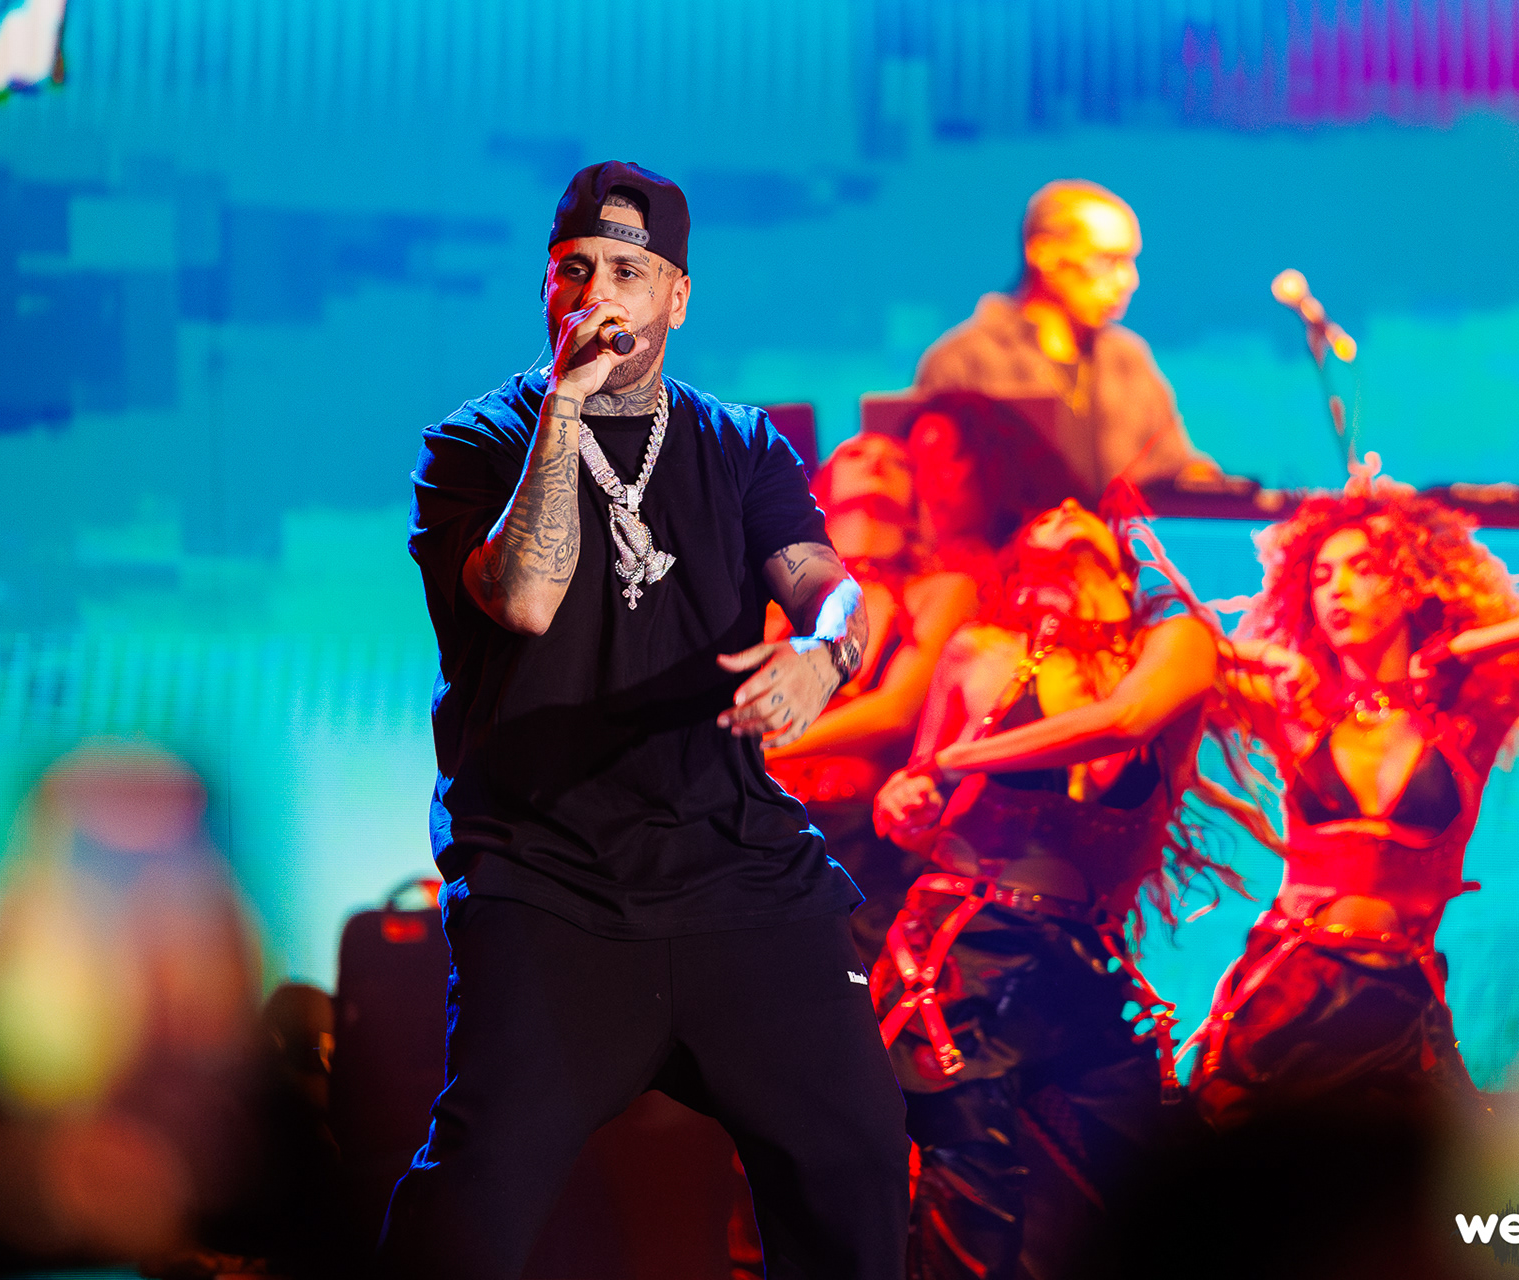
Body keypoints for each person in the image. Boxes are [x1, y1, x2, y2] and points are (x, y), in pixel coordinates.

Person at [382, 161, 908, 1279]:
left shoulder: (743, 445)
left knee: (856, 1157)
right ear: (545, 287)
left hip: (735, 870)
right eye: (574, 270)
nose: (597, 296)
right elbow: (524, 599)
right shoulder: (474, 446)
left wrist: (824, 655)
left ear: (676, 295)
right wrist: (565, 410)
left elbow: (832, 587)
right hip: (550, 877)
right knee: (476, 1196)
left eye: (627, 271)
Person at [1189, 472, 1519, 1128]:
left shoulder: (1469, 714)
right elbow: (1166, 661)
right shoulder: (1294, 709)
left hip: (1402, 994)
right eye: (1320, 577)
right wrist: (1262, 655)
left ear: (1407, 585)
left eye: (1362, 569)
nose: (1336, 589)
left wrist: (1466, 645)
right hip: (1287, 992)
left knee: (1417, 1177)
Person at [870, 492, 1236, 1280]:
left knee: (1162, 1175)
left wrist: (949, 763)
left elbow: (1126, 721)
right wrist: (903, 800)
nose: (1065, 507)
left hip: (1082, 963)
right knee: (972, 1191)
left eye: (1077, 521)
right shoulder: (981, 650)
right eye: (1041, 528)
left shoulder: (1170, 645)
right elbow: (916, 808)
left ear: (1122, 566)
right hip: (966, 953)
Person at [762, 431, 981, 964]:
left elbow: (896, 710)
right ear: (822, 482)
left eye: (898, 461)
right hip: (754, 828)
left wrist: (750, 753)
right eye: (856, 454)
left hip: (863, 846)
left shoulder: (943, 590)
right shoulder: (761, 589)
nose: (878, 462)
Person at [913, 180, 1220, 495]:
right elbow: (932, 490)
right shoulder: (963, 362)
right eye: (1108, 260)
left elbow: (1171, 466)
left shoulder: (1127, 358)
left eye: (1130, 262)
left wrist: (1200, 479)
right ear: (1043, 252)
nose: (1128, 280)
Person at [902, 390, 1077, 583]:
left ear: (993, 460)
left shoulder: (1057, 553)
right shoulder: (908, 574)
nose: (926, 479)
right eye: (915, 465)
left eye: (944, 457)